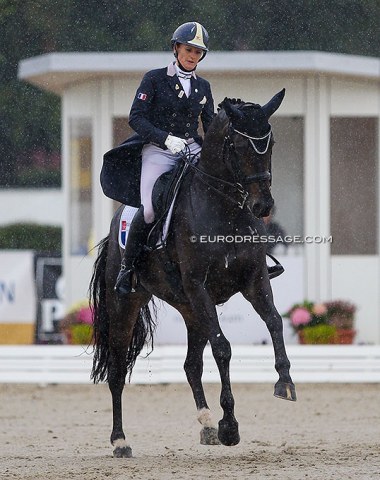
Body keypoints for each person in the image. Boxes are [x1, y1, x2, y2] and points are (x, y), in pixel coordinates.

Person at [114, 21, 215, 295]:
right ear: (176, 48)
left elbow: (210, 125)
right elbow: (136, 117)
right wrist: (165, 138)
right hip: (159, 150)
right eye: (188, 49)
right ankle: (128, 268)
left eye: (198, 52)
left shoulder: (203, 87)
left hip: (191, 148)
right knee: (148, 209)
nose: (193, 55)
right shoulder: (155, 78)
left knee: (223, 187)